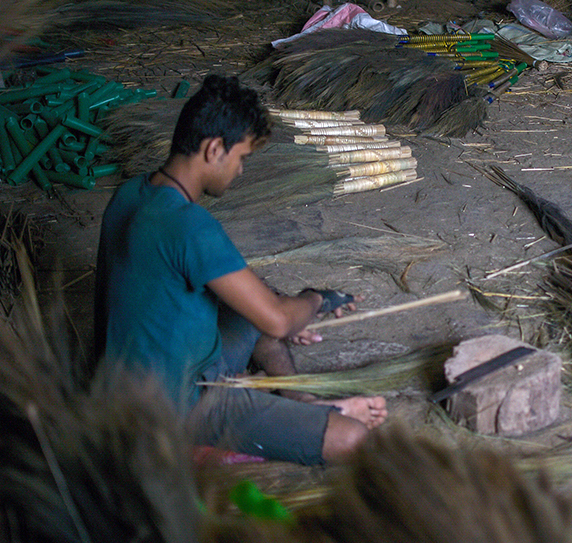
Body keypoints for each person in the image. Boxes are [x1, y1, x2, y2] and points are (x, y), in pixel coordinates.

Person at [94, 75, 387, 465]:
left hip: (123, 383)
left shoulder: (130, 193)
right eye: (242, 158)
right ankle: (318, 416)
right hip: (171, 408)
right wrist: (315, 299)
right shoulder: (189, 225)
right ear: (215, 149)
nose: (241, 171)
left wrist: (281, 309)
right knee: (352, 439)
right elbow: (280, 322)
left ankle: (301, 398)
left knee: (257, 309)